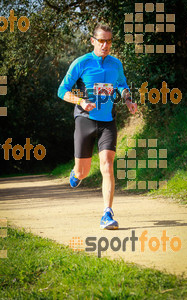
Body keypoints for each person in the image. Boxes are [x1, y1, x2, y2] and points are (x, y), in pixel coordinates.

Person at [58, 23, 137, 230]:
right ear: (93, 41)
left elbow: (122, 85)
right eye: (101, 40)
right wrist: (81, 101)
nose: (105, 45)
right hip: (85, 119)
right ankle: (76, 174)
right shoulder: (81, 63)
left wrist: (127, 99)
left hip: (107, 122)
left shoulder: (115, 64)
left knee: (107, 165)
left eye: (109, 41)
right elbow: (62, 90)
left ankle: (107, 213)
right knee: (83, 172)